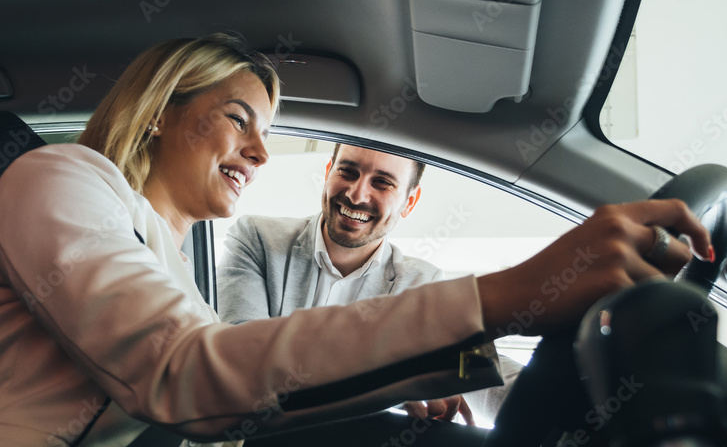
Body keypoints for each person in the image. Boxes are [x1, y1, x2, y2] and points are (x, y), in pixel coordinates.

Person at [0, 33, 714, 447]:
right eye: (239, 117)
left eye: (267, 132)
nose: (262, 154)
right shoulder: (59, 178)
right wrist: (508, 296)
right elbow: (180, 372)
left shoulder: (180, 286)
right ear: (163, 109)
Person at [217, 143, 524, 424]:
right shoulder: (255, 238)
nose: (356, 194)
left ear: (409, 201)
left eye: (382, 182)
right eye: (347, 172)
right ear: (327, 173)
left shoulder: (420, 282)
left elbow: (478, 365)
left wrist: (546, 406)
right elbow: (245, 358)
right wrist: (395, 382)